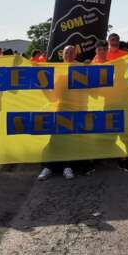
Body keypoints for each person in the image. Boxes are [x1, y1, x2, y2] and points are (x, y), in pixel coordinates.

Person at [38, 45, 91, 181]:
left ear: (76, 54)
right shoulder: (59, 71)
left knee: (71, 141)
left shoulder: (83, 67)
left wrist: (89, 67)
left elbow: (91, 89)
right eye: (67, 52)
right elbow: (53, 97)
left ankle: (68, 167)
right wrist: (43, 87)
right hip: (61, 110)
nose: (69, 54)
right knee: (54, 140)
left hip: (78, 111)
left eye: (72, 52)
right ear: (62, 55)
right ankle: (48, 167)